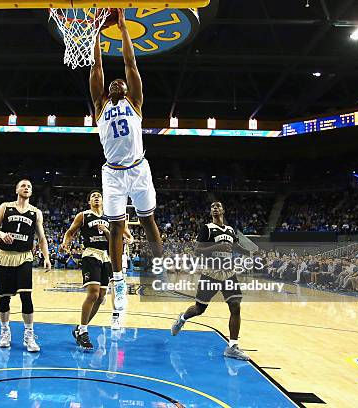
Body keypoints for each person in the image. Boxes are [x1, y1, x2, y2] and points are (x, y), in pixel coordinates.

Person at [89, 9, 164, 312]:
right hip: (113, 175)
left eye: (122, 83)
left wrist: (122, 29)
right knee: (117, 228)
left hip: (139, 168)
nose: (118, 83)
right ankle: (118, 280)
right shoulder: (99, 104)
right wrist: (94, 32)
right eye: (114, 83)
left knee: (148, 220)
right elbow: (96, 65)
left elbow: (130, 63)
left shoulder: (135, 102)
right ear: (108, 89)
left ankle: (160, 267)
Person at [170, 202, 251, 360]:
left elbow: (235, 247)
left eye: (218, 206)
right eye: (213, 207)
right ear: (211, 212)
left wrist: (250, 252)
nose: (215, 208)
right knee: (199, 309)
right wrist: (216, 248)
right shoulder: (206, 228)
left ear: (223, 210)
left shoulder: (230, 230)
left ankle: (232, 346)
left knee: (235, 306)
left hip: (228, 272)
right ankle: (182, 319)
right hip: (211, 272)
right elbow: (197, 250)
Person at [61, 190, 132, 350]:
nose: (97, 197)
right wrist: (65, 242)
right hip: (91, 253)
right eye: (93, 196)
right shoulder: (83, 215)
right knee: (93, 293)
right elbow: (70, 232)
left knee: (100, 297)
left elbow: (127, 235)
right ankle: (84, 331)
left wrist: (128, 238)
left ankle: (80, 328)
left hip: (108, 256)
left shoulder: (111, 216)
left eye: (99, 195)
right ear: (89, 202)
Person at [0, 179, 51, 352]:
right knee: (4, 297)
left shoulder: (36, 212)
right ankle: (4, 331)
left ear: (31, 192)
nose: (26, 188)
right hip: (5, 257)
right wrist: (1, 234)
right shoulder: (5, 207)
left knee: (26, 296)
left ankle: (29, 335)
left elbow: (42, 238)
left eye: (29, 186)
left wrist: (46, 257)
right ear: (16, 189)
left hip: (24, 257)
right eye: (23, 185)